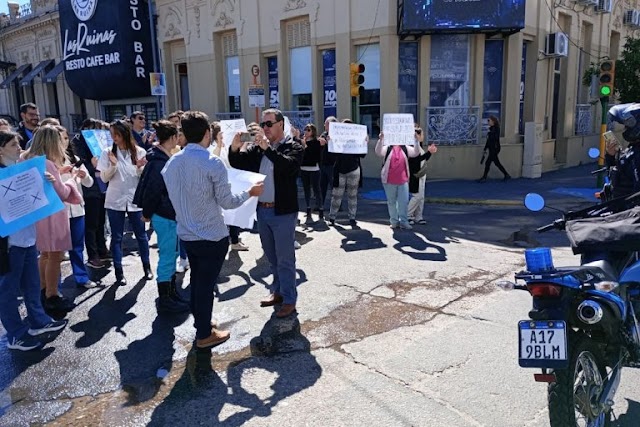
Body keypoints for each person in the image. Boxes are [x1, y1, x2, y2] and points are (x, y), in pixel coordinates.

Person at [162, 110, 264, 350]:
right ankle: (204, 333)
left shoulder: (172, 162)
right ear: (207, 133)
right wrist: (250, 192)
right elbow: (228, 201)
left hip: (187, 233)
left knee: (198, 281)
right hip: (211, 234)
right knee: (204, 285)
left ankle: (203, 323)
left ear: (183, 134)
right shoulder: (211, 162)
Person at [228, 108, 304, 318]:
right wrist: (234, 149)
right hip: (263, 210)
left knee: (285, 259)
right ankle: (277, 291)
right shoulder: (259, 148)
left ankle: (289, 299)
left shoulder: (293, 146)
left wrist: (268, 148)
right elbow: (239, 164)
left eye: (269, 124)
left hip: (283, 212)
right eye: (263, 124)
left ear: (281, 124)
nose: (265, 128)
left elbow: (288, 167)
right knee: (271, 256)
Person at [0, 130, 69, 351]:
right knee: (8, 291)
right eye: (13, 145)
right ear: (0, 149)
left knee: (31, 285)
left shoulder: (21, 171)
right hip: (9, 244)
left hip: (28, 238)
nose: (19, 149)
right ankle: (15, 334)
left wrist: (44, 182)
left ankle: (38, 321)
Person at [24, 126, 83, 313]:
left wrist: (58, 171)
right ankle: (52, 294)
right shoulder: (47, 164)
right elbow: (64, 193)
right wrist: (71, 179)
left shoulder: (24, 159)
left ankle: (43, 290)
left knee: (45, 254)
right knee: (55, 255)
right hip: (52, 213)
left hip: (37, 213)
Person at [133, 120, 190, 313]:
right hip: (164, 215)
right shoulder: (159, 161)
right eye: (178, 136)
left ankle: (171, 292)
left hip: (167, 215)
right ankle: (165, 298)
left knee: (171, 254)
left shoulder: (160, 158)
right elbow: (153, 191)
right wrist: (147, 213)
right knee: (167, 256)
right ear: (173, 137)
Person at [97, 120, 152, 285]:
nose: (114, 137)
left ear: (125, 134)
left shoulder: (139, 151)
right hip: (115, 200)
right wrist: (113, 165)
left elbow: (142, 177)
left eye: (117, 134)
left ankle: (147, 267)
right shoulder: (107, 153)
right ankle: (119, 272)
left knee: (141, 236)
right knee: (117, 237)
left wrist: (140, 168)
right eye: (112, 134)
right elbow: (104, 178)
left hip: (135, 200)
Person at [58, 125, 97, 289]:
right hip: (59, 211)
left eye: (66, 138)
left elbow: (89, 183)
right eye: (60, 139)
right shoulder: (48, 162)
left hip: (78, 209)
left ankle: (81, 276)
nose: (64, 142)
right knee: (56, 251)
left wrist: (84, 175)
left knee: (77, 246)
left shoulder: (74, 158)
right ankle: (54, 286)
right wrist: (60, 173)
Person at [72, 118, 110, 268]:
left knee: (101, 220)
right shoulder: (78, 143)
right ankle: (93, 255)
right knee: (92, 223)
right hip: (90, 189)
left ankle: (102, 249)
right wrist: (91, 164)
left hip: (102, 186)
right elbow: (77, 163)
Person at [210, 121, 248, 251]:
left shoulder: (227, 146)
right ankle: (232, 240)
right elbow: (215, 161)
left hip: (232, 182)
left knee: (233, 213)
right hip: (222, 184)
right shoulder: (214, 147)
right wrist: (220, 145)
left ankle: (234, 238)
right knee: (228, 213)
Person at [375, 131, 421, 229]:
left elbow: (416, 153)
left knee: (403, 201)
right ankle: (394, 222)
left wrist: (416, 141)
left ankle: (404, 222)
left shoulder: (405, 148)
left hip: (403, 180)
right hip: (389, 180)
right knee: (391, 202)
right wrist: (381, 140)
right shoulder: (387, 148)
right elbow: (378, 152)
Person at [327, 119, 366, 227]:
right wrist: (330, 143)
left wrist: (364, 143)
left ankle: (352, 217)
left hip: (353, 170)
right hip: (340, 171)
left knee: (352, 195)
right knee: (336, 195)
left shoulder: (356, 141)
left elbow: (362, 155)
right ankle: (332, 217)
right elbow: (331, 156)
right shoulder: (337, 140)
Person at [605, 103, 640, 198]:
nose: (625, 129)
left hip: (628, 210)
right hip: (619, 207)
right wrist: (611, 156)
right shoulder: (632, 150)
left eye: (627, 127)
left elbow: (636, 196)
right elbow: (618, 176)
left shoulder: (637, 155)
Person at [407, 125, 437, 225]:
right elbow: (416, 161)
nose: (423, 136)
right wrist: (429, 152)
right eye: (422, 134)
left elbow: (423, 159)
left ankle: (418, 216)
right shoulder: (412, 147)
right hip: (416, 175)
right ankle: (407, 215)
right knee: (417, 196)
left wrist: (429, 152)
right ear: (417, 136)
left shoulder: (419, 146)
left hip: (421, 175)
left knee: (421, 197)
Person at [300, 123, 323, 222]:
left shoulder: (317, 142)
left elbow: (315, 154)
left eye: (308, 130)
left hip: (314, 168)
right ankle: (308, 208)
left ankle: (320, 208)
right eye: (305, 129)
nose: (306, 131)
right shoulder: (302, 142)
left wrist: (306, 145)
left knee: (317, 189)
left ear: (313, 132)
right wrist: (303, 143)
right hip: (304, 168)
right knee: (306, 189)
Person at [478, 115, 510, 182]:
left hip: (495, 148)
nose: (488, 122)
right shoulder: (491, 129)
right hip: (491, 148)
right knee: (496, 163)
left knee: (488, 162)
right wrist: (485, 148)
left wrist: (490, 133)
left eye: (489, 120)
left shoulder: (496, 129)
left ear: (493, 121)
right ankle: (506, 175)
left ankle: (484, 177)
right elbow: (488, 141)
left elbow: (495, 138)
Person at [319, 117, 338, 212]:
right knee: (322, 186)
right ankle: (320, 205)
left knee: (334, 186)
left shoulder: (338, 135)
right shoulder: (324, 134)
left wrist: (330, 142)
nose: (324, 126)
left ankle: (337, 206)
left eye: (326, 124)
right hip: (323, 164)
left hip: (333, 164)